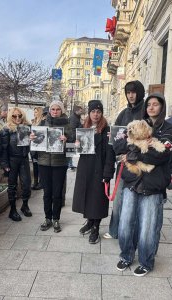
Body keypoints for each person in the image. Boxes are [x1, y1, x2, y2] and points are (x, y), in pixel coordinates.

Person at [113, 92, 172, 276]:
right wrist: (136, 149)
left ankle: (146, 261)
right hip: (132, 181)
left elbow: (162, 155)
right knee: (125, 223)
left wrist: (133, 153)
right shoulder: (136, 124)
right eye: (149, 104)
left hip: (153, 184)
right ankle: (126, 255)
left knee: (148, 226)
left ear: (162, 107)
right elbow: (118, 146)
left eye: (156, 104)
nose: (151, 107)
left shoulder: (168, 129)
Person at [103, 80, 145, 240]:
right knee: (119, 199)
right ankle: (114, 230)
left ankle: (134, 231)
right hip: (123, 162)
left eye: (133, 92)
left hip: (140, 161)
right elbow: (116, 139)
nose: (131, 95)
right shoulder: (123, 113)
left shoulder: (145, 111)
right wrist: (113, 137)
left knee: (137, 199)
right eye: (128, 92)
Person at [72, 100, 115, 244]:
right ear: (89, 114)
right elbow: (74, 150)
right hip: (85, 169)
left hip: (100, 169)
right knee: (87, 197)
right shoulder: (84, 128)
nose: (96, 114)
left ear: (101, 113)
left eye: (98, 112)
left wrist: (108, 173)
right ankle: (90, 221)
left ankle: (96, 226)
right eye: (93, 112)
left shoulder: (107, 130)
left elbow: (111, 154)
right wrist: (75, 144)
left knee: (97, 199)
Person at [31, 100, 73, 233]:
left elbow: (74, 146)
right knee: (47, 193)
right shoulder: (42, 124)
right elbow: (35, 143)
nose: (55, 112)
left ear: (62, 111)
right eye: (53, 109)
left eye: (58, 109)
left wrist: (66, 141)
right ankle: (47, 218)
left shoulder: (68, 125)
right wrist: (33, 139)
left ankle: (56, 219)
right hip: (44, 162)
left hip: (60, 163)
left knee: (57, 193)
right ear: (49, 110)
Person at [0, 107, 32, 221]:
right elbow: (2, 149)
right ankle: (12, 210)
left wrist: (33, 140)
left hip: (24, 159)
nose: (17, 118)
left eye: (19, 115)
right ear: (10, 117)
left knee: (26, 184)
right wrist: (4, 164)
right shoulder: (6, 130)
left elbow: (35, 145)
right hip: (11, 160)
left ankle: (25, 205)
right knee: (12, 186)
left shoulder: (28, 128)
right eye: (14, 116)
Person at [31, 107, 44, 190]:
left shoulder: (42, 122)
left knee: (40, 166)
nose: (34, 113)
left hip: (39, 147)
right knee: (35, 165)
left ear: (39, 113)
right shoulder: (33, 122)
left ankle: (41, 182)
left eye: (36, 112)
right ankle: (35, 181)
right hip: (33, 147)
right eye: (34, 112)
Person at [68, 105, 83, 170]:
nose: (81, 112)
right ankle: (69, 164)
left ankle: (70, 164)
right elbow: (72, 128)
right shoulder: (73, 118)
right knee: (70, 151)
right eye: (80, 111)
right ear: (76, 111)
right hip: (71, 137)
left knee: (70, 151)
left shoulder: (77, 117)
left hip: (72, 136)